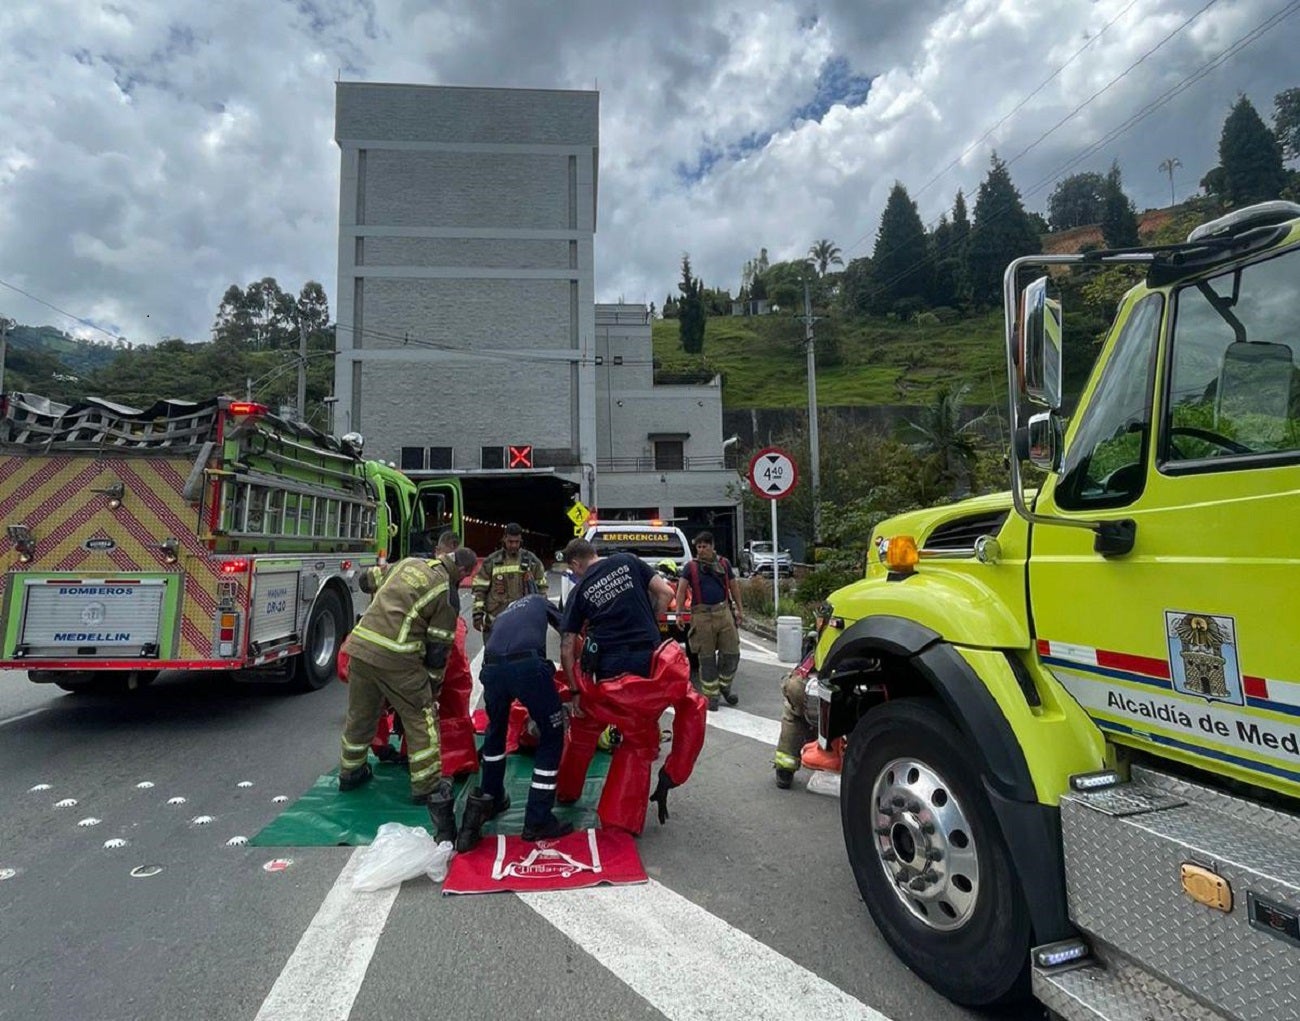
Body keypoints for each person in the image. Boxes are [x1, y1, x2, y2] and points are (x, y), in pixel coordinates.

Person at [556, 538, 707, 835]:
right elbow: (665, 593)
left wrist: (575, 690)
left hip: (607, 678)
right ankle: (620, 821)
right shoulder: (627, 560)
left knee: (584, 725)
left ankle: (567, 791)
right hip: (647, 671)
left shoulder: (579, 591)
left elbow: (566, 647)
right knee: (637, 741)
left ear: (575, 564)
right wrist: (652, 623)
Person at [337, 545, 479, 843]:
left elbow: (367, 579)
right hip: (398, 657)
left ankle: (351, 773)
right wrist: (431, 688)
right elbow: (438, 651)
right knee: (421, 718)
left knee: (361, 715)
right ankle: (427, 786)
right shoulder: (446, 594)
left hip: (361, 648)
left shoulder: (410, 563)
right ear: (465, 572)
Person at [456, 593, 570, 852]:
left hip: (492, 670)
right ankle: (538, 819)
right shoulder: (541, 602)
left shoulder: (506, 613)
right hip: (527, 666)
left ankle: (492, 797)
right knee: (552, 733)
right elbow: (568, 631)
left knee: (495, 730)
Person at [675, 532, 743, 711]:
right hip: (701, 615)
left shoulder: (724, 564)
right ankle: (711, 695)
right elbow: (681, 590)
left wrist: (739, 609)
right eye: (698, 547)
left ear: (712, 546)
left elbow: (734, 587)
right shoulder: (691, 567)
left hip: (723, 612)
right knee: (706, 658)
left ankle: (724, 687)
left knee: (732, 653)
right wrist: (679, 613)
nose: (701, 550)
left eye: (705, 546)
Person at [472, 522, 549, 639]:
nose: (513, 545)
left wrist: (542, 614)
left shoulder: (532, 561)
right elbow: (480, 590)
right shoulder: (491, 561)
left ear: (521, 541)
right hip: (495, 621)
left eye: (517, 542)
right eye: (510, 542)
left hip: (523, 621)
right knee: (493, 655)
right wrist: (478, 615)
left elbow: (542, 589)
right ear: (504, 539)